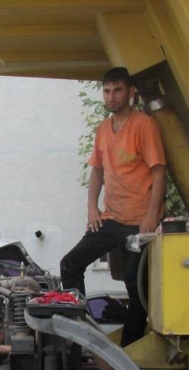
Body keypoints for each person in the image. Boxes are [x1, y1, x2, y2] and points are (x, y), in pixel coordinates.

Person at [60, 66, 167, 346]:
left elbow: (159, 171)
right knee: (70, 263)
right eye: (107, 91)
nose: (112, 96)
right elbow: (96, 170)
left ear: (131, 92)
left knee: (135, 283)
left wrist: (151, 217)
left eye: (117, 90)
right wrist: (92, 209)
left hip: (139, 221)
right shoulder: (103, 129)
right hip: (112, 218)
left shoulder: (144, 125)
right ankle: (81, 335)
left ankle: (129, 348)